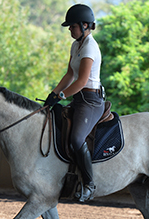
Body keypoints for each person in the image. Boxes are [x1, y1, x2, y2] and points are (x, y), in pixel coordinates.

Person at [44, 4, 104, 202]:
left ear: (85, 25)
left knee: (77, 139)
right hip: (78, 98)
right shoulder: (75, 45)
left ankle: (89, 184)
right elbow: (70, 74)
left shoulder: (89, 47)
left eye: (72, 26)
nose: (70, 29)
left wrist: (61, 96)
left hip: (91, 100)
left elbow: (81, 81)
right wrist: (53, 94)